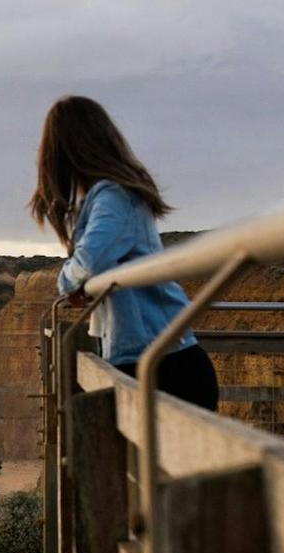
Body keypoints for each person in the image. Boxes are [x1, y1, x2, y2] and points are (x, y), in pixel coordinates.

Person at [28, 95, 219, 411]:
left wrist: (67, 280)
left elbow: (90, 260)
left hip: (165, 365)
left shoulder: (114, 197)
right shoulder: (107, 197)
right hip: (152, 360)